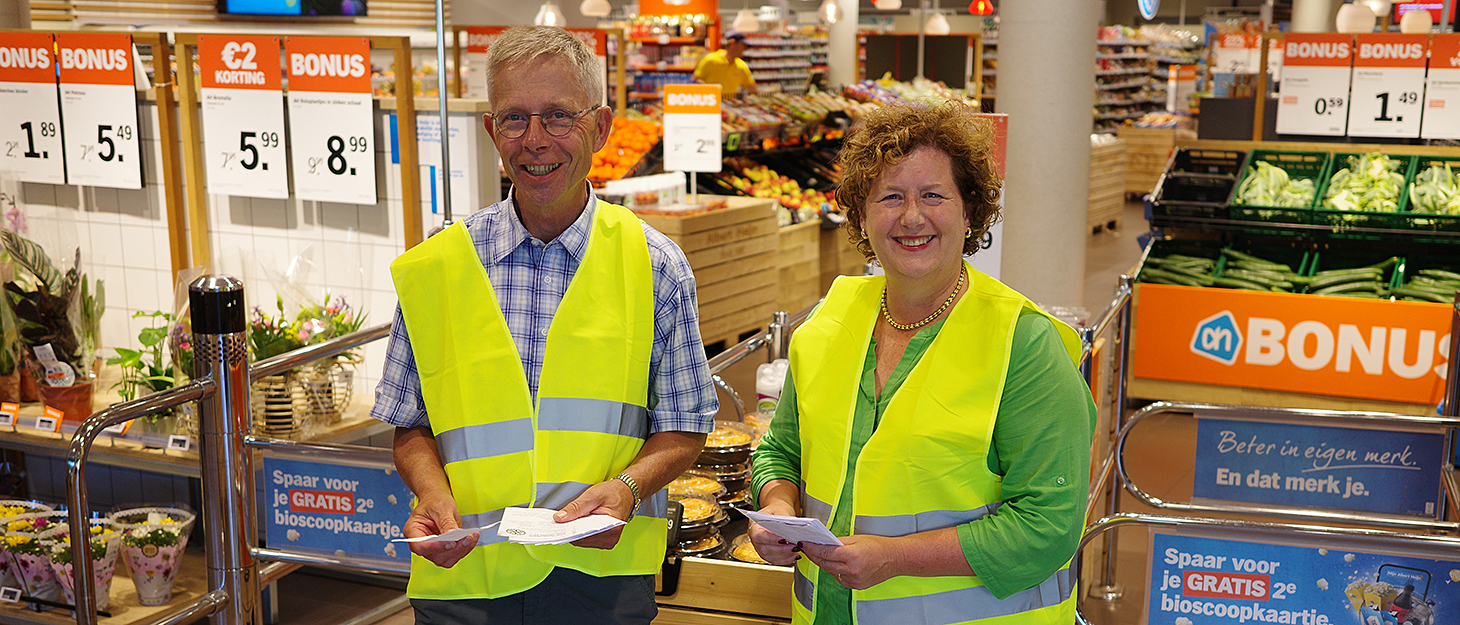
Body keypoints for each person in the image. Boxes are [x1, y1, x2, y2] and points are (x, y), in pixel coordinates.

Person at [372, 25, 718, 624]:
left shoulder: (655, 266)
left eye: (558, 117)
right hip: (465, 581)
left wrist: (629, 491)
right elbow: (410, 426)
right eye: (514, 119)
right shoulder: (436, 267)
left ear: (600, 128)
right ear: (490, 131)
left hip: (601, 586)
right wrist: (432, 495)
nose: (535, 141)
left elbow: (686, 428)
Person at [747, 102, 1096, 625]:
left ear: (969, 211)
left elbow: (1048, 525)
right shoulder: (828, 323)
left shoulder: (1024, 344)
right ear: (862, 216)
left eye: (933, 195)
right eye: (890, 197)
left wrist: (896, 557)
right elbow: (782, 449)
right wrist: (776, 507)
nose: (912, 216)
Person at [693, 31, 757, 97]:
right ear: (733, 42)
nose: (745, 49)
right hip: (710, 104)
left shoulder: (742, 66)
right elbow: (694, 82)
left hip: (729, 106)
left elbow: (753, 90)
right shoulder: (710, 60)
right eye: (743, 45)